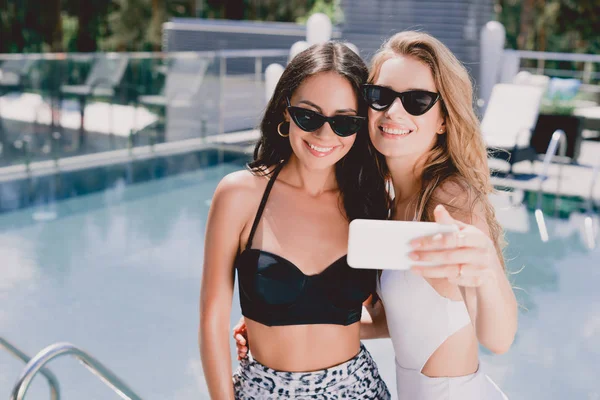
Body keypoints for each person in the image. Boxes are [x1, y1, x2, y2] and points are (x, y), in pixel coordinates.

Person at [235, 31, 517, 399]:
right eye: (380, 96)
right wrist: (282, 322)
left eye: (417, 101)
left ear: (444, 120)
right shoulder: (388, 202)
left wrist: (486, 267)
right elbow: (393, 321)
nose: (393, 112)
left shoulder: (449, 200)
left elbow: (497, 338)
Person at [199, 42, 391, 400]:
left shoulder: (369, 204)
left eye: (344, 122)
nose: (324, 135)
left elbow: (393, 318)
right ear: (284, 113)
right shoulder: (240, 196)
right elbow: (211, 323)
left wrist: (316, 323)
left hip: (358, 389)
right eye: (309, 115)